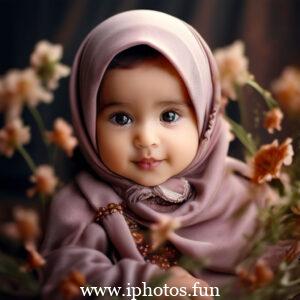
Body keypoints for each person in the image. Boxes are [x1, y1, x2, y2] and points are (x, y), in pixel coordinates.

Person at [40, 10, 264, 299]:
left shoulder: (244, 194)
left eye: (169, 115)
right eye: (121, 118)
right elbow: (65, 282)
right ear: (87, 120)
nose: (146, 139)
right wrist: (149, 285)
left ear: (205, 117)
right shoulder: (82, 208)